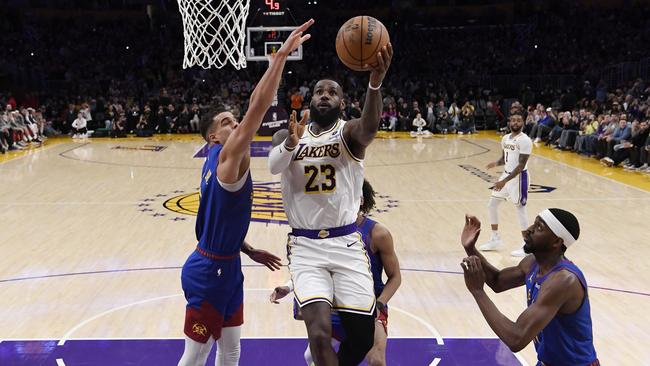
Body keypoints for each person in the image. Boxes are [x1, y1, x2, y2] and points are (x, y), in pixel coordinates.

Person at [177, 20, 314, 366]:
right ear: (213, 137)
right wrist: (280, 58)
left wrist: (248, 249)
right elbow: (257, 106)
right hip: (209, 272)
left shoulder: (212, 158)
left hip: (228, 264)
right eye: (226, 123)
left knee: (233, 349)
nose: (235, 124)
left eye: (233, 119)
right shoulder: (228, 159)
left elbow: (219, 219)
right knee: (196, 355)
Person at [268, 42, 393, 366]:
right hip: (306, 246)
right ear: (310, 100)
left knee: (363, 336)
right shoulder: (288, 133)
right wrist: (291, 145)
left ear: (341, 102)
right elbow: (273, 166)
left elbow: (369, 128)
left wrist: (375, 82)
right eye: (319, 91)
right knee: (319, 334)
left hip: (347, 243)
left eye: (332, 92)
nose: (325, 95)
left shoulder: (348, 132)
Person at [270, 179, 401, 366]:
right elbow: (316, 266)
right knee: (312, 355)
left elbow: (395, 277)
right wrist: (289, 287)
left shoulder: (378, 233)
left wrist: (380, 304)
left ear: (361, 200)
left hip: (369, 304)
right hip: (334, 304)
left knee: (376, 361)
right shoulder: (326, 229)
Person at [459, 210, 599, 366]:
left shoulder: (564, 280)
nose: (529, 230)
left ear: (556, 242)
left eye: (539, 227)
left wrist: (478, 292)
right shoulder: (532, 262)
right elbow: (498, 282)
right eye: (534, 223)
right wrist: (471, 248)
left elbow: (516, 339)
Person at [479, 113, 532, 257]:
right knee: (492, 205)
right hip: (506, 174)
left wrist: (504, 181)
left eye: (518, 120)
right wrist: (496, 163)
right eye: (513, 120)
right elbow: (505, 158)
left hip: (519, 178)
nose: (515, 122)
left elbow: (520, 166)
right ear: (509, 122)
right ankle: (495, 238)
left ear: (523, 123)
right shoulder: (505, 138)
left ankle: (527, 246)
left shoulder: (525, 140)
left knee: (520, 209)